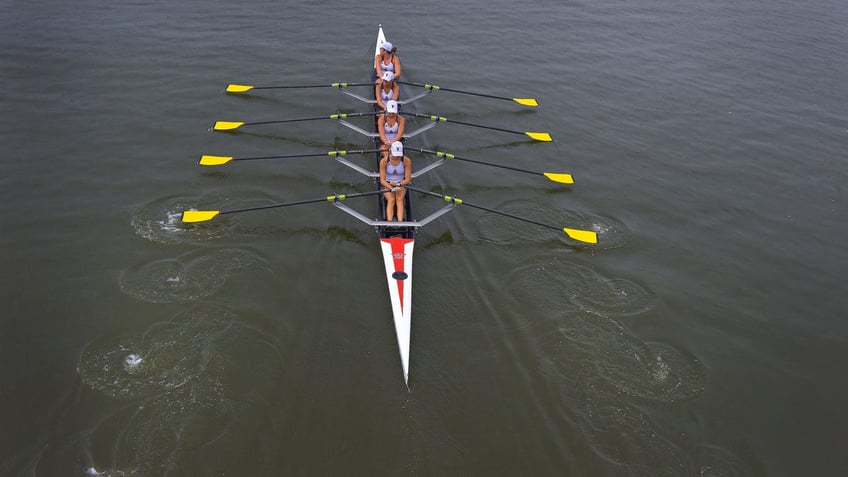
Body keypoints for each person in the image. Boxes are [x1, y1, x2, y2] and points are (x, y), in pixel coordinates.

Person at [379, 141, 412, 222]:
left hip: (401, 184)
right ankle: (389, 222)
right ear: (390, 151)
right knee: (391, 199)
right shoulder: (384, 161)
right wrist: (391, 188)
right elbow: (382, 180)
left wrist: (398, 184)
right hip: (387, 184)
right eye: (395, 154)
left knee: (399, 199)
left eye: (398, 155)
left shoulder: (406, 161)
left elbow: (408, 179)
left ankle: (400, 223)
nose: (396, 157)